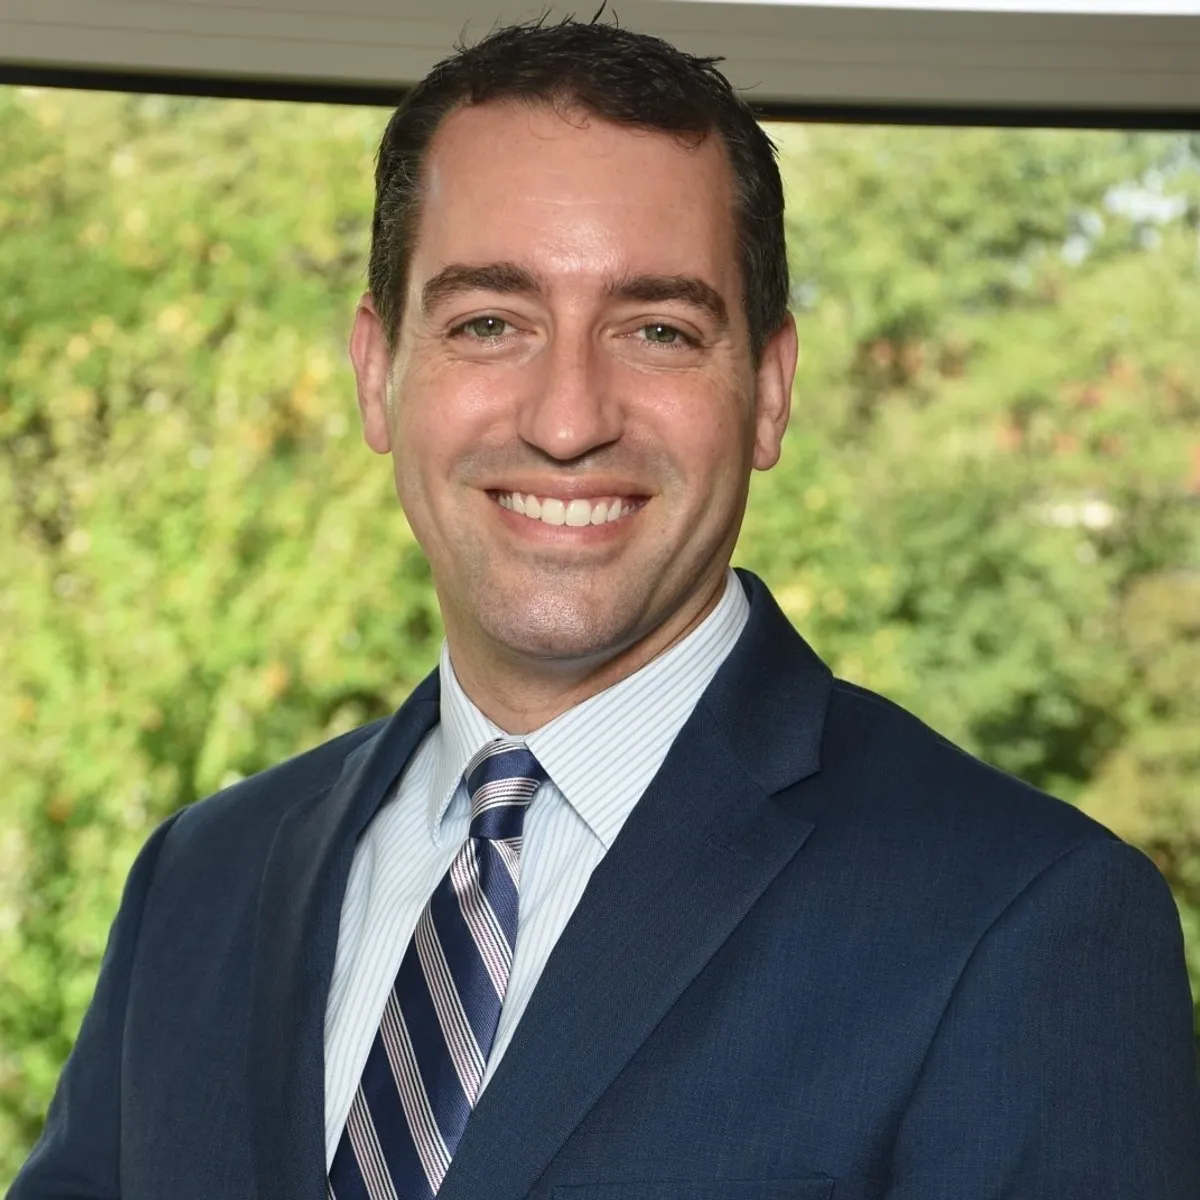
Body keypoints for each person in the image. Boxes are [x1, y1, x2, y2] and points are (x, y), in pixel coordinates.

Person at [10, 16, 1200, 1200]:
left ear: (769, 390)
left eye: (658, 330)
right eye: (489, 323)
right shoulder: (198, 884)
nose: (569, 419)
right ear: (378, 372)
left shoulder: (1023, 923)